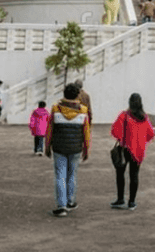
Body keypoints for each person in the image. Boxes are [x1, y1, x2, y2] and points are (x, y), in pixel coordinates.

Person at [45, 83, 90, 217]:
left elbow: (49, 130)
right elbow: (86, 133)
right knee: (72, 175)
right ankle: (71, 201)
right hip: (76, 148)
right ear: (77, 95)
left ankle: (62, 206)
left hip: (59, 148)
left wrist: (47, 146)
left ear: (64, 94)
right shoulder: (83, 110)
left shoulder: (55, 108)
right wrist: (86, 149)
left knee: (60, 176)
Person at [110, 93, 155, 210]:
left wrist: (122, 138)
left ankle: (120, 199)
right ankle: (132, 202)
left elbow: (115, 131)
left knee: (120, 174)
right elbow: (151, 133)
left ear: (129, 102)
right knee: (134, 175)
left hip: (125, 149)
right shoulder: (144, 117)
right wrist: (140, 141)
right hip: (138, 151)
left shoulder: (124, 115)